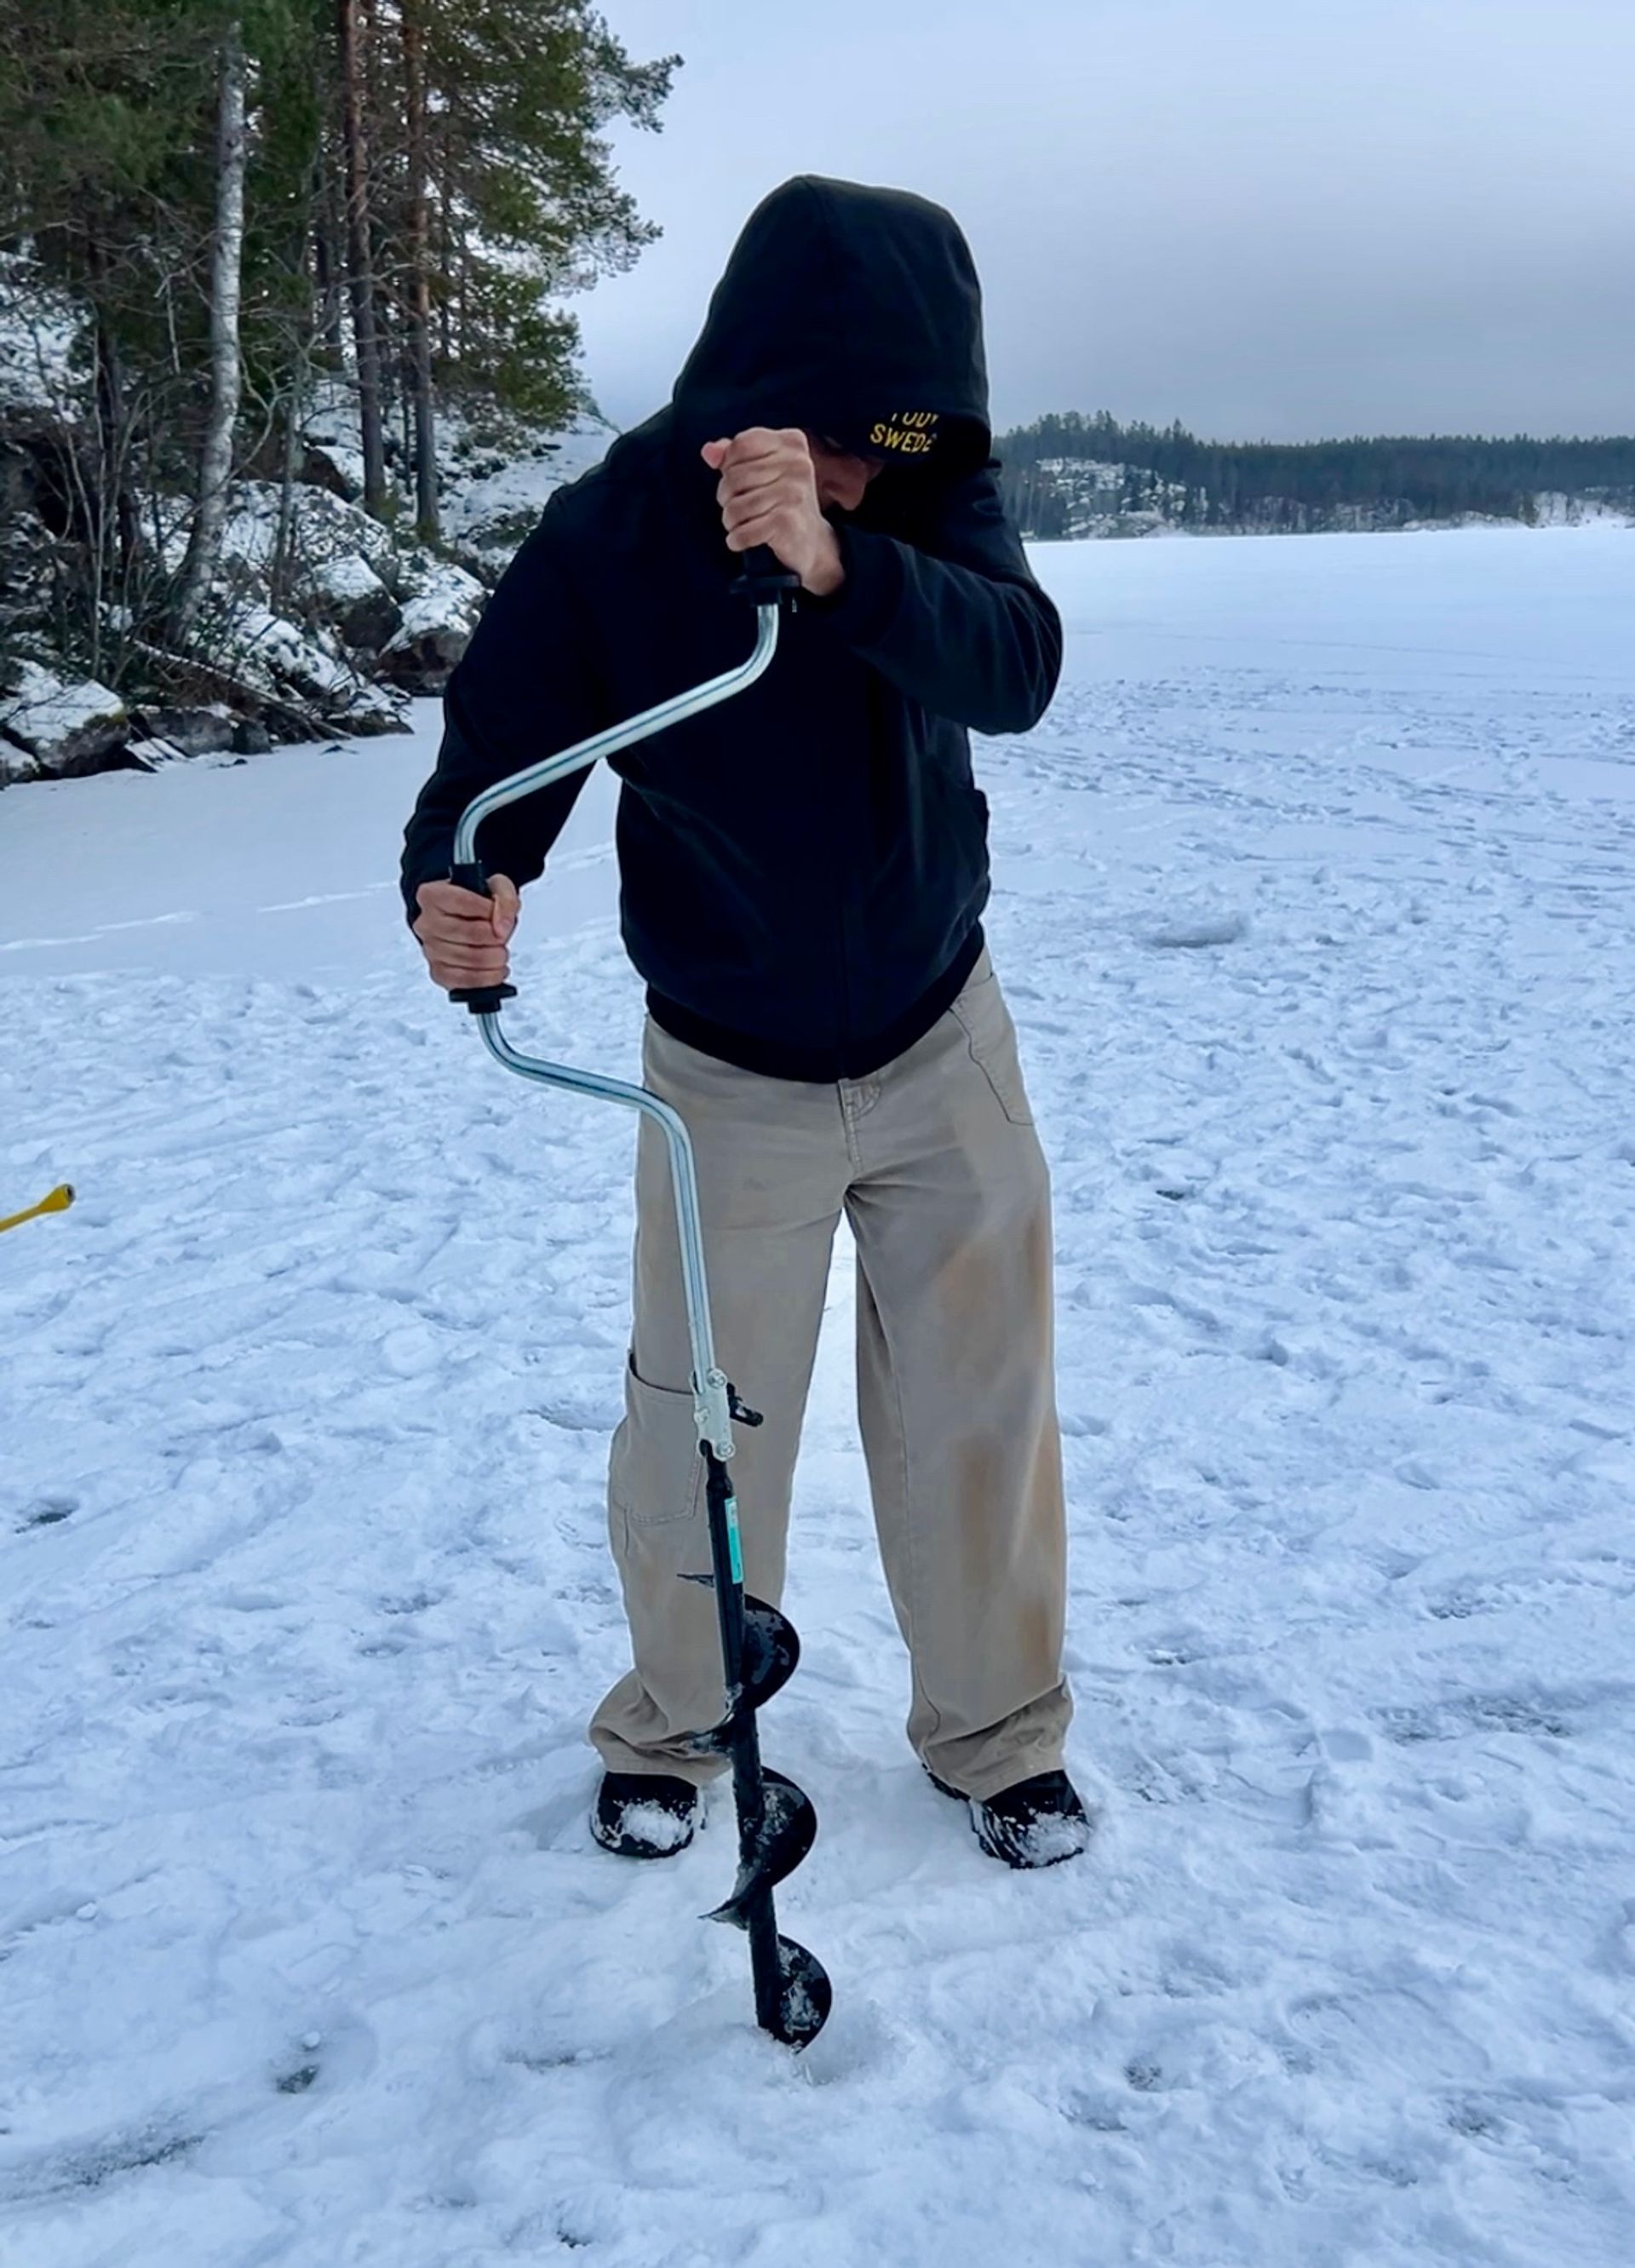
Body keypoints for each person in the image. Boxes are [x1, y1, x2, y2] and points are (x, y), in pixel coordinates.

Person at [402, 176, 1087, 1870]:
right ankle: (684, 1718)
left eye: (901, 436)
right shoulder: (618, 529)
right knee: (698, 1413)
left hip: (942, 1028)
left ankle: (998, 1733)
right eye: (837, 432)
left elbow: (1017, 667)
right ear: (745, 392)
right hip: (722, 1061)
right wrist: (459, 874)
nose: (869, 461)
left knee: (973, 1400)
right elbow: (500, 746)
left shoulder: (928, 502)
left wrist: (846, 560)